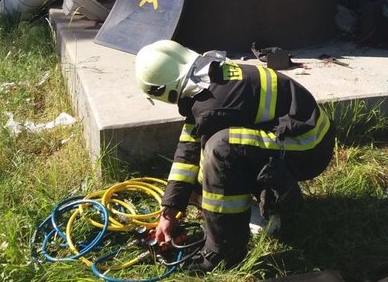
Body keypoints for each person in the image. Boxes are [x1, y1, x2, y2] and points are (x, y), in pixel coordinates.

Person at [134, 40, 335, 272]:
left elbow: (213, 163)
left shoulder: (212, 108)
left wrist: (198, 196)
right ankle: (268, 200)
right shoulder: (208, 81)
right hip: (305, 136)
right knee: (218, 156)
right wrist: (170, 209)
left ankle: (225, 251)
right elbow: (188, 148)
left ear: (161, 90)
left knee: (221, 151)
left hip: (308, 147)